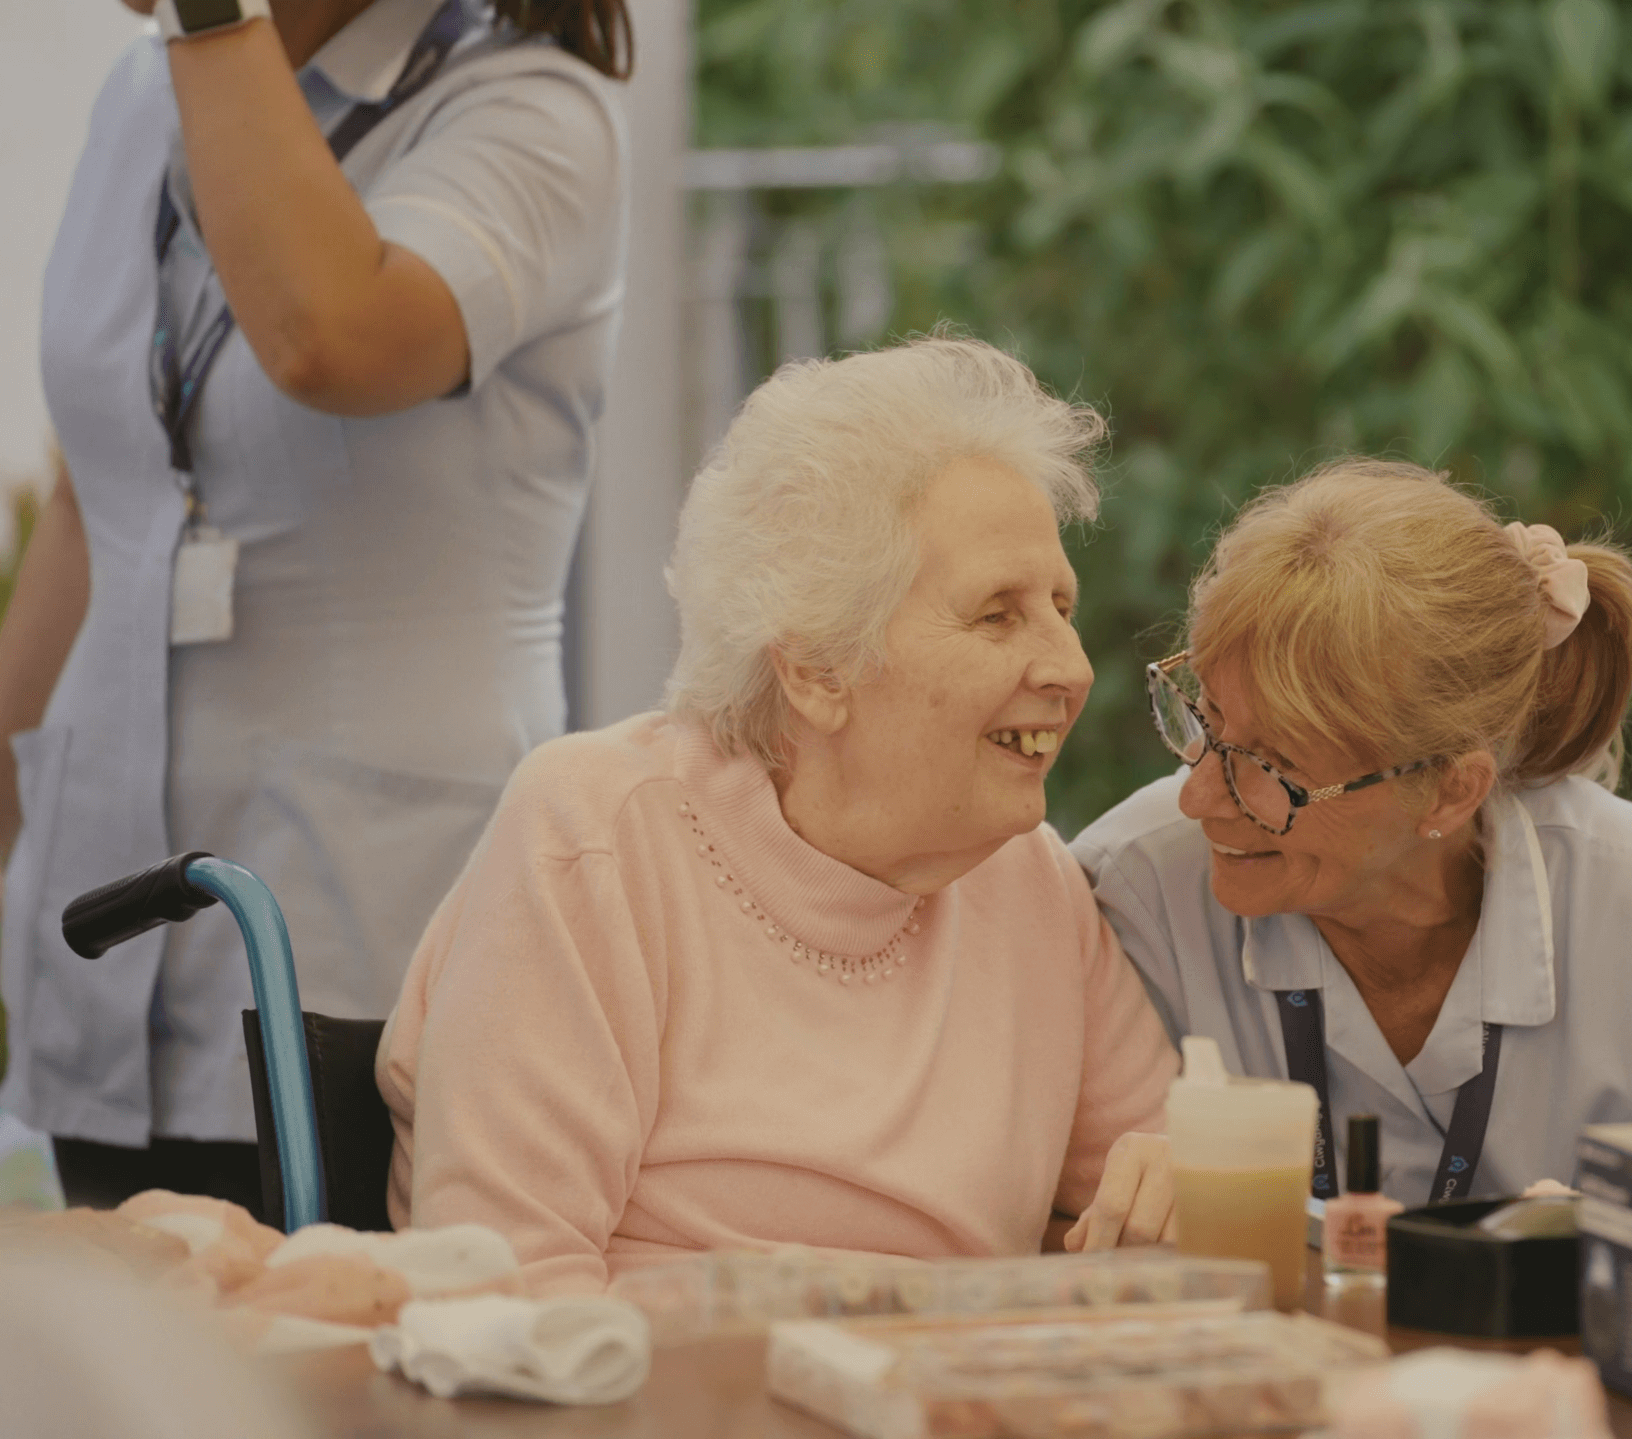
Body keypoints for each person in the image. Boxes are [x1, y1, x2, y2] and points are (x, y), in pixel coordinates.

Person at [0, 0, 632, 1217]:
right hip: (118, 929)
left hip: (365, 945)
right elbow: (99, 498)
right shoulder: (144, 91)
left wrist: (218, 16)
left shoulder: (531, 109)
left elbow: (329, 334)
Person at [378, 336, 1180, 1294]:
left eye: (1061, 605)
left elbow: (1172, 1180)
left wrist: (1180, 1182)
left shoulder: (1028, 880)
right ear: (816, 670)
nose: (1071, 668)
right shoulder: (596, 833)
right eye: (998, 615)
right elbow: (506, 1291)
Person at [1072, 459, 1632, 1210]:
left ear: (1453, 790)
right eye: (1206, 718)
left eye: (1277, 767)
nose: (1197, 798)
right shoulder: (1131, 887)